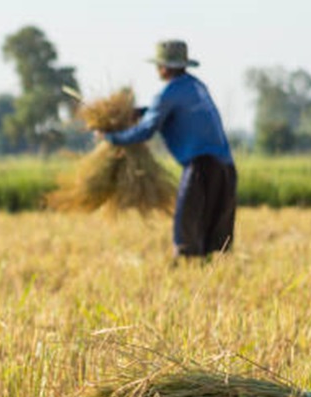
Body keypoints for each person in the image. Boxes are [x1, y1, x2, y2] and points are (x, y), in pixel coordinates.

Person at [101, 40, 237, 257]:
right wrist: (140, 112)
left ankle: (184, 269)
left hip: (201, 167)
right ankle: (209, 277)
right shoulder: (197, 86)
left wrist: (112, 138)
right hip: (226, 167)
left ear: (164, 67)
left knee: (187, 228)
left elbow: (146, 131)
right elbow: (169, 111)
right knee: (214, 236)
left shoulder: (168, 93)